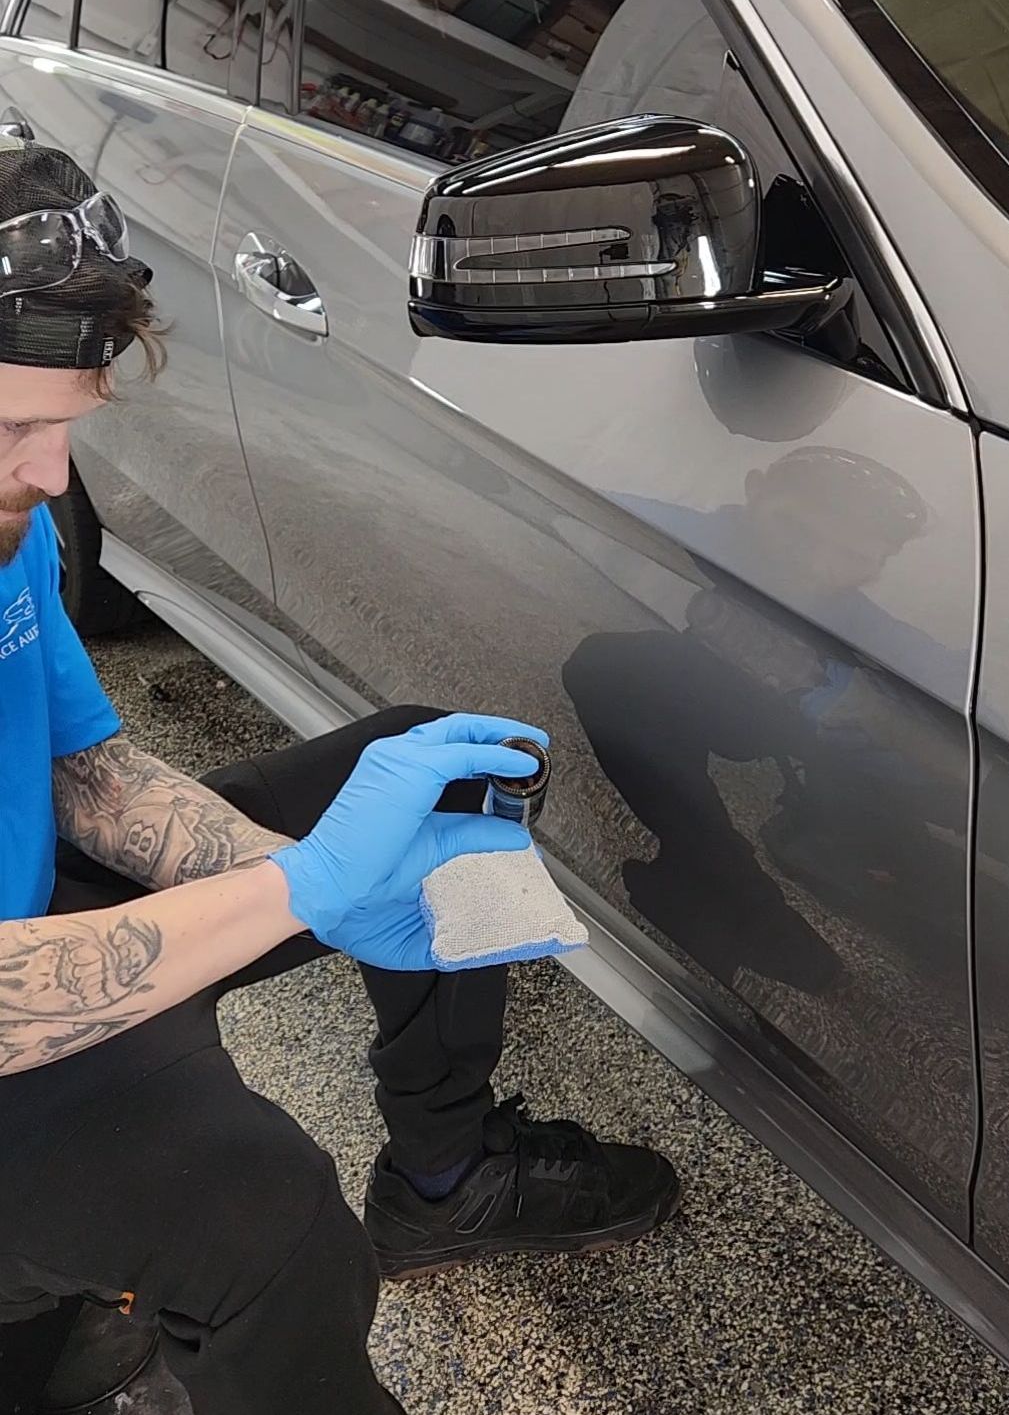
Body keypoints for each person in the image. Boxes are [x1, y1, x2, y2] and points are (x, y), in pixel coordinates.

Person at [0, 142, 678, 1415]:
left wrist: (305, 876)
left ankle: (446, 1176)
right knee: (272, 1226)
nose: (51, 478)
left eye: (66, 424)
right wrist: (299, 890)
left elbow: (81, 766)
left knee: (431, 773)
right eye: (12, 428)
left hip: (35, 906)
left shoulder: (10, 519)